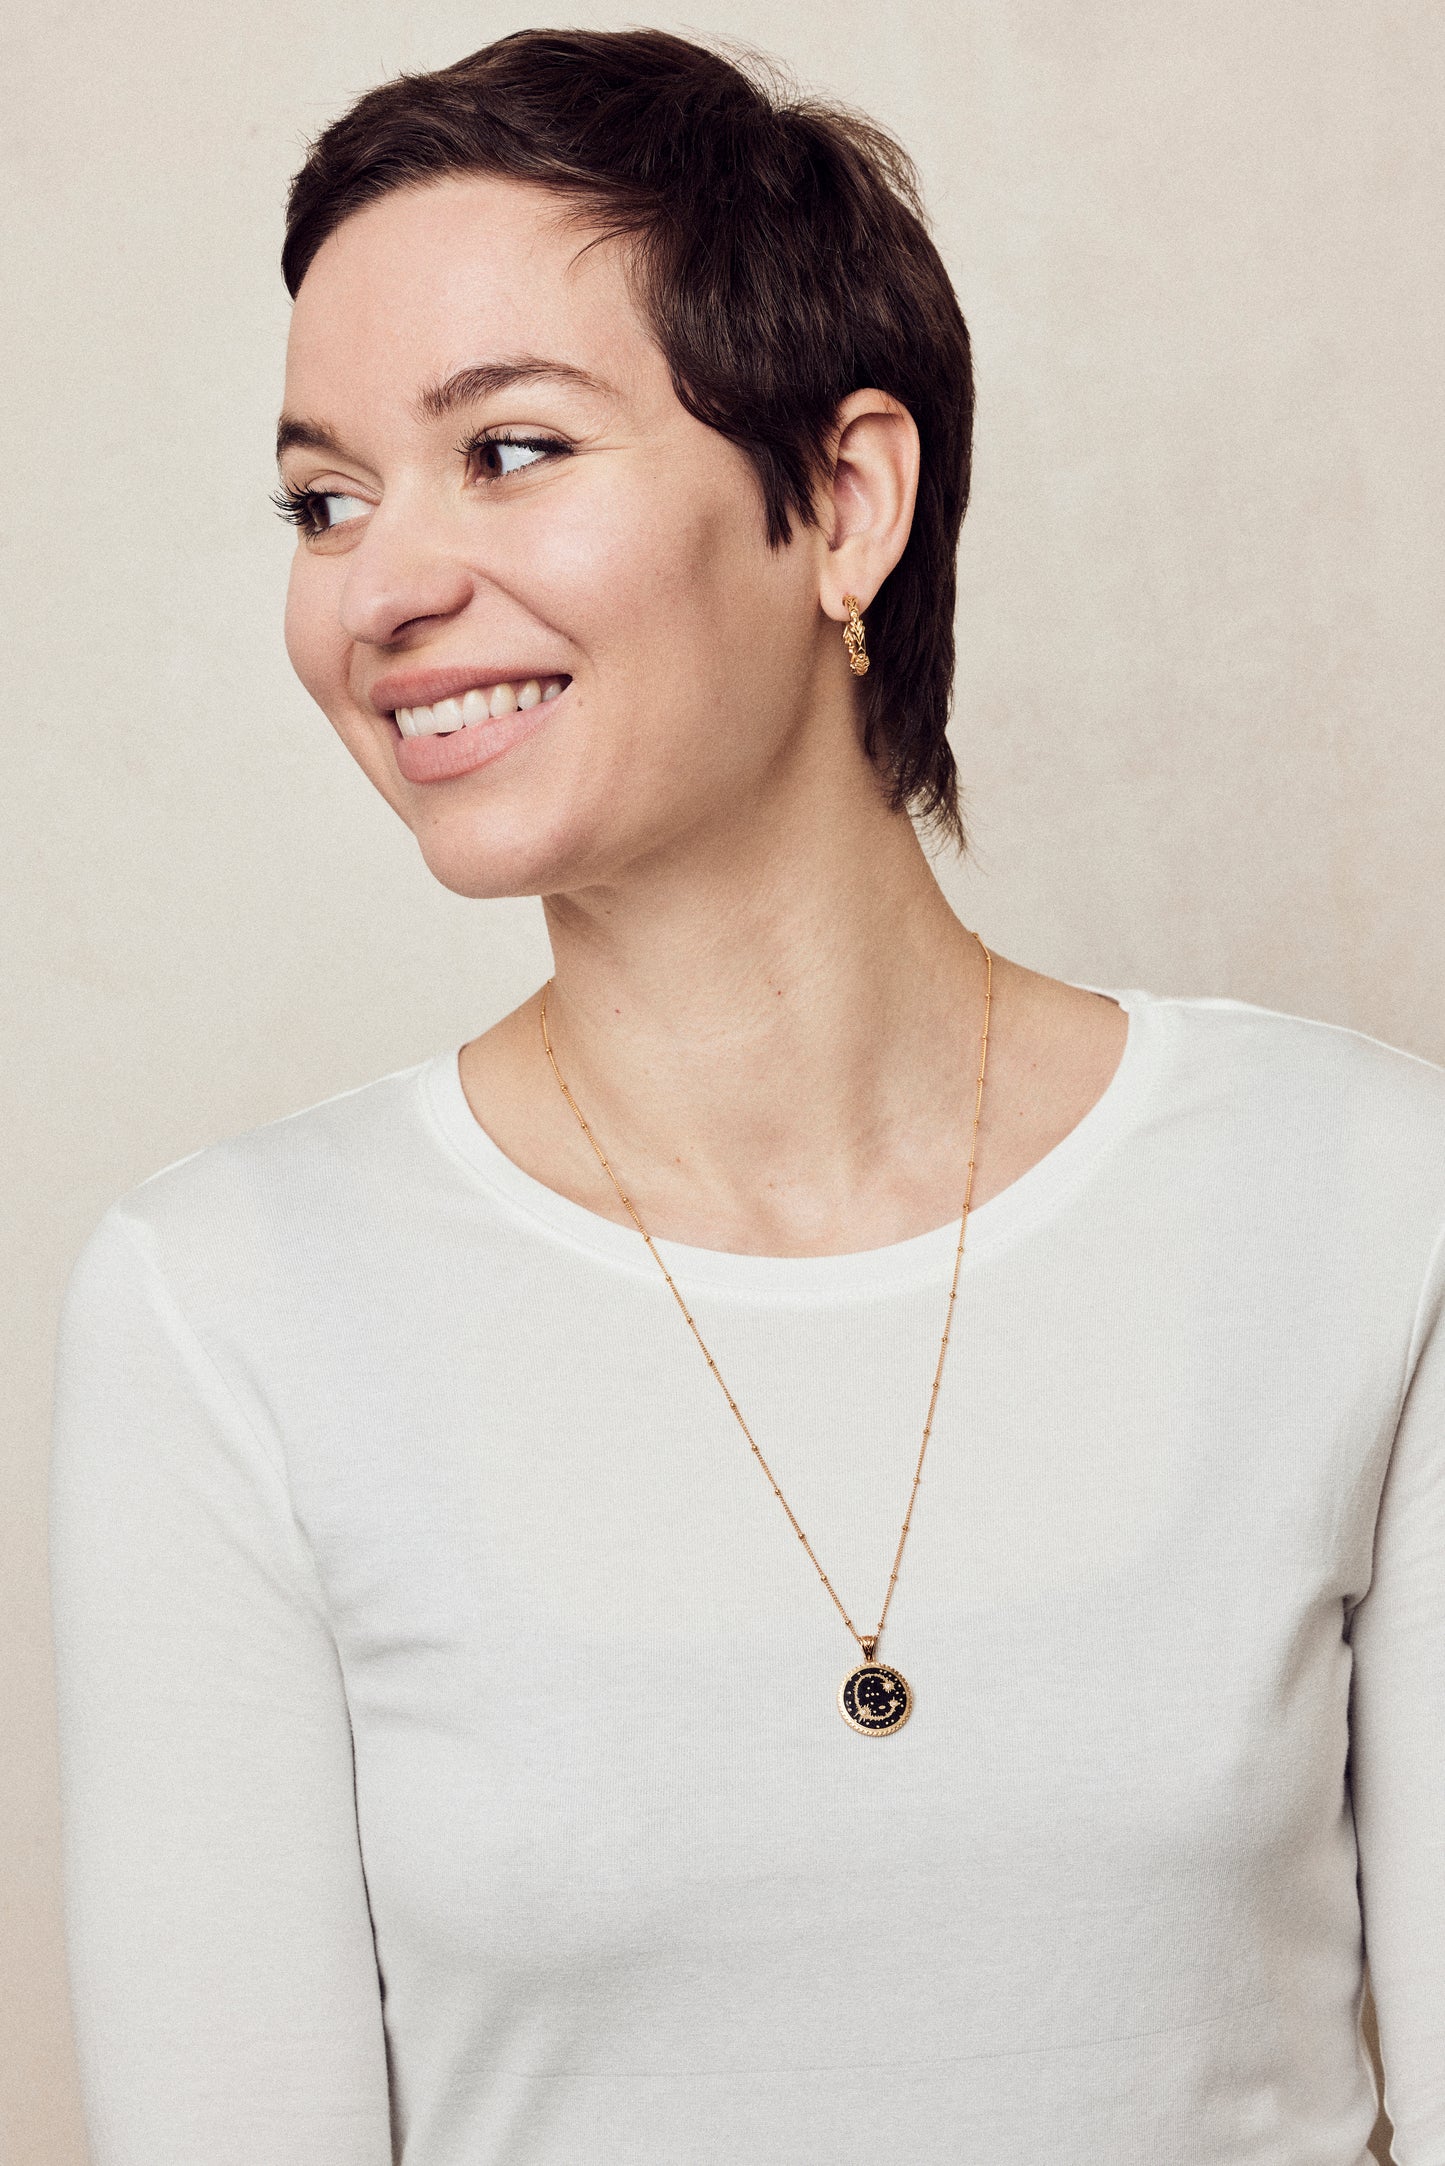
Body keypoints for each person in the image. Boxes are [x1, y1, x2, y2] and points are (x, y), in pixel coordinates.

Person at [48, 28, 1443, 2166]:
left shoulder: (1365, 1202)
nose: (383, 589)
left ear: (845, 502)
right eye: (327, 499)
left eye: (507, 450)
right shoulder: (220, 1310)